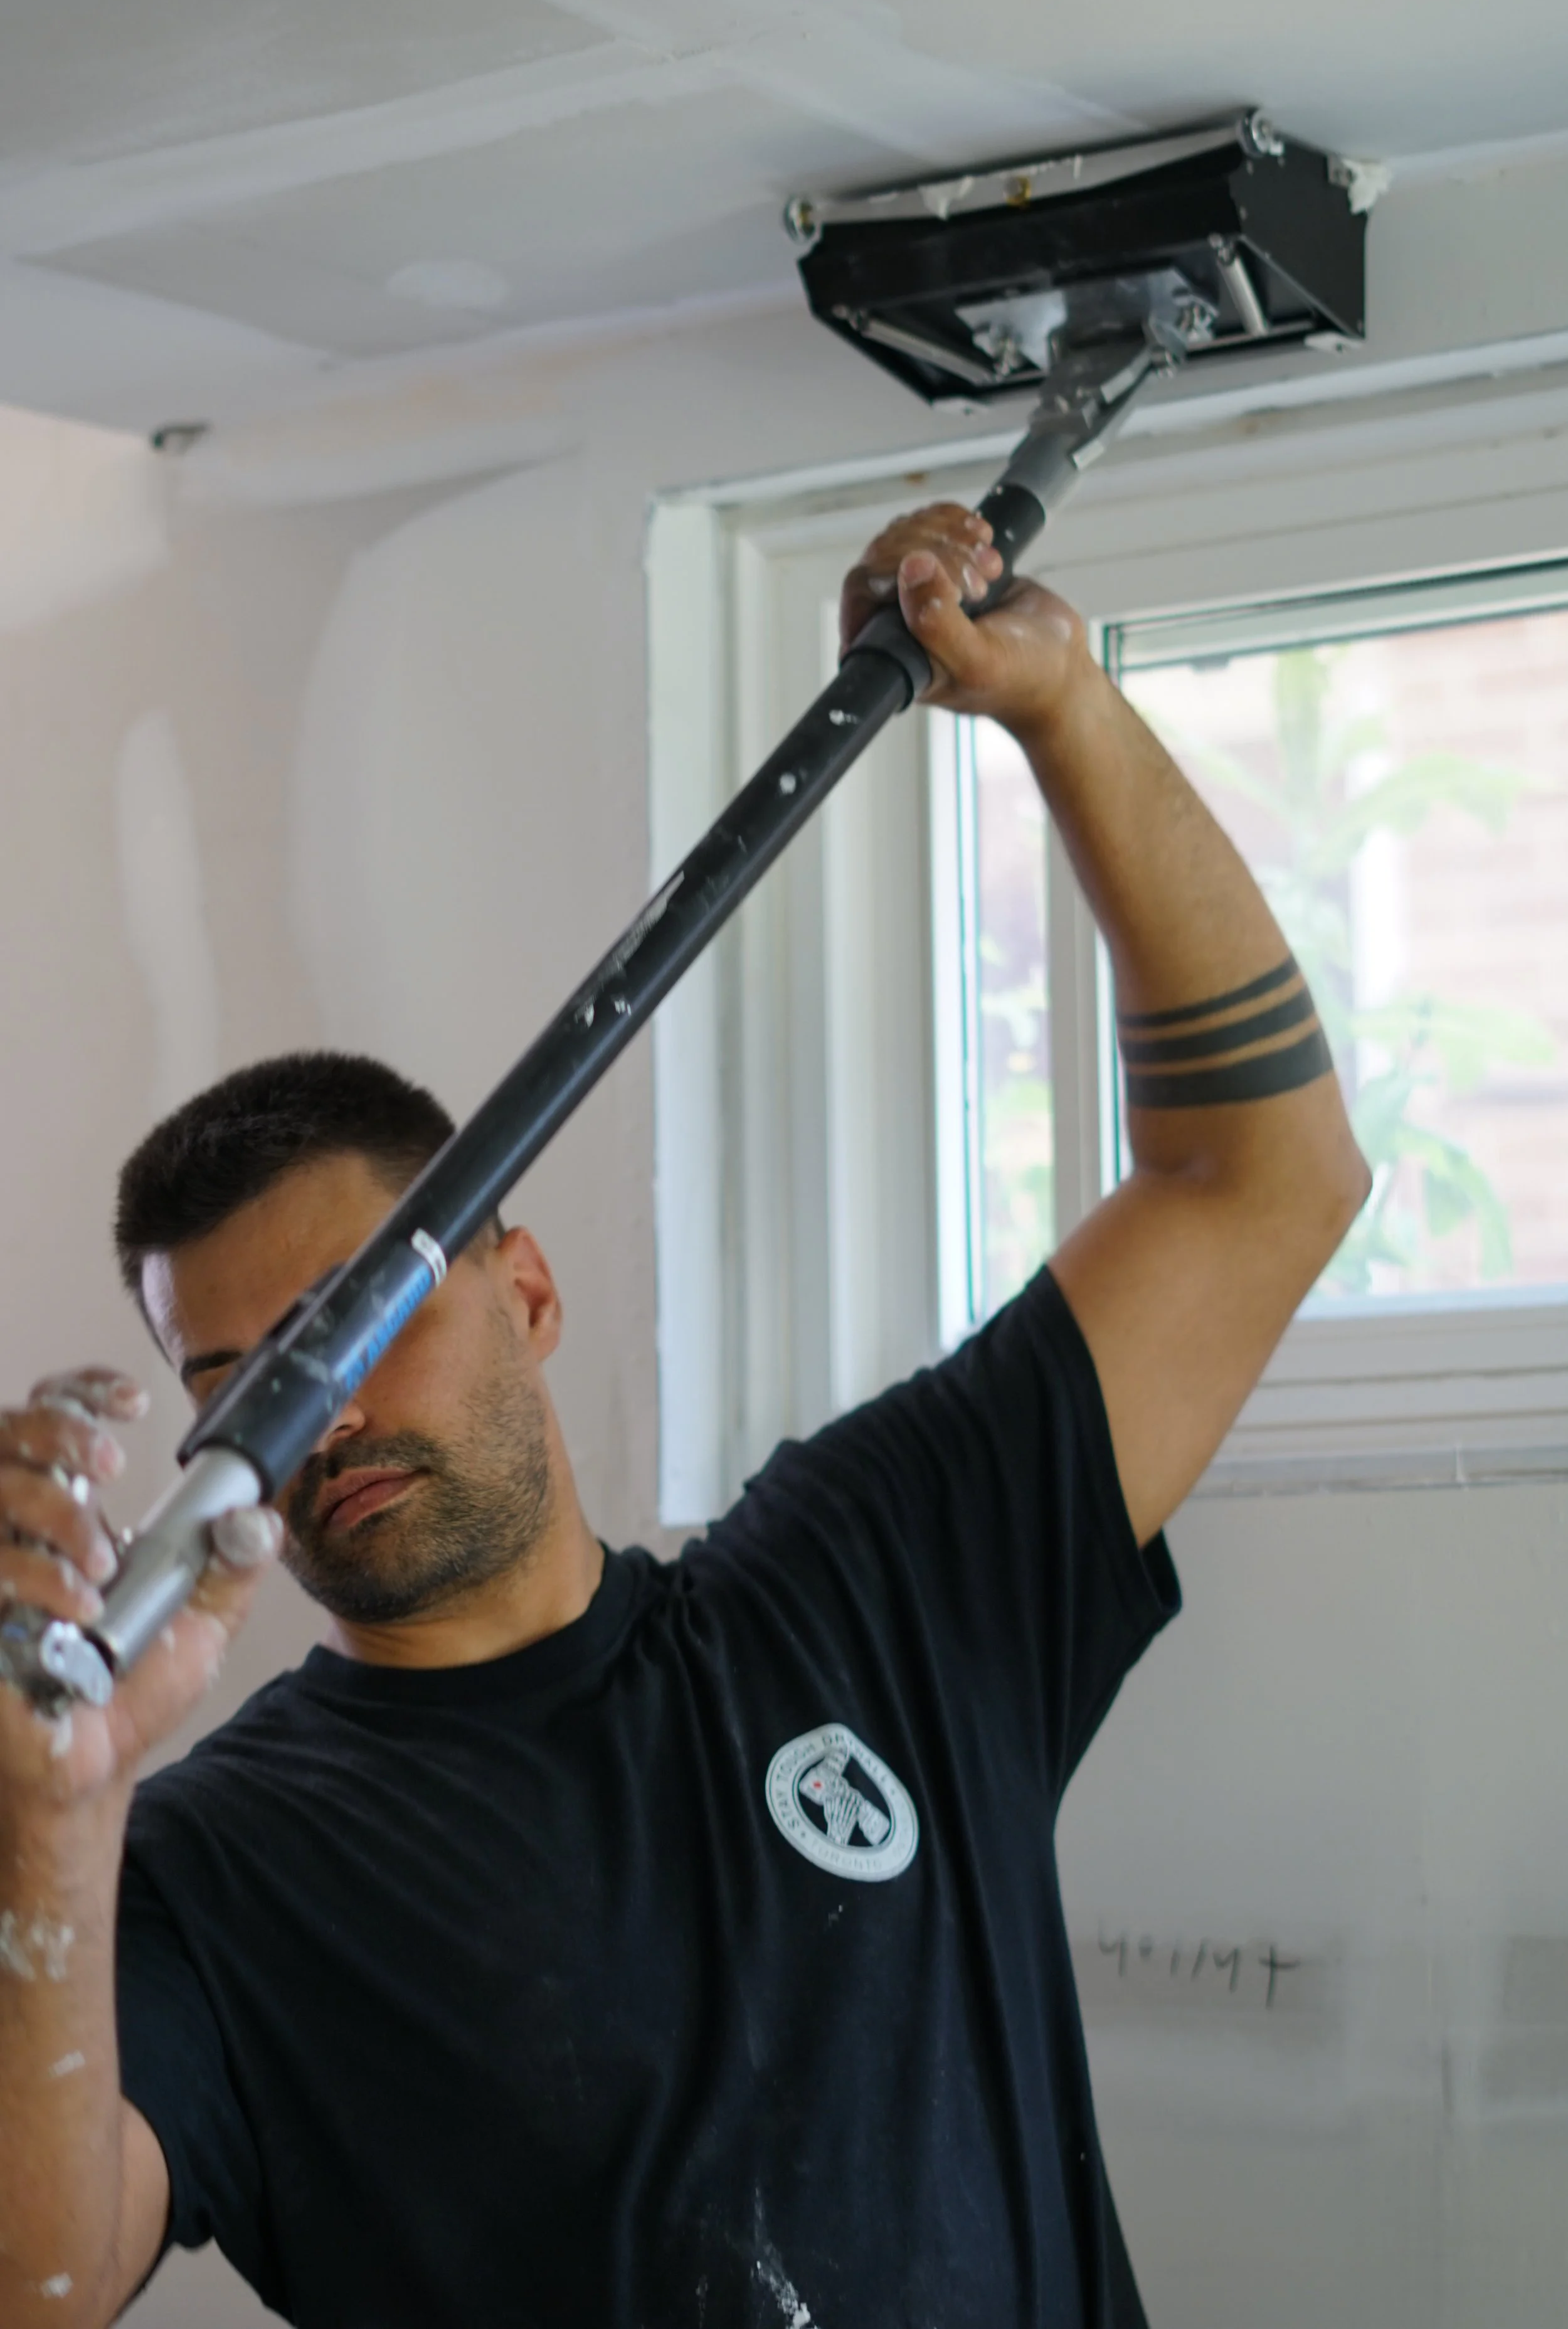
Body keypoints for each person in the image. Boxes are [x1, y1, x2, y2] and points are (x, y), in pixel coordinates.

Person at [0, 506, 1368, 2329]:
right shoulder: (218, 1865)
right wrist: (45, 1832)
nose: (307, 1419)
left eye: (350, 1328)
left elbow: (1256, 1176)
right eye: (233, 1386)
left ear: (532, 1294)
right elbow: (37, 2284)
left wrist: (1059, 714)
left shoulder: (874, 1579)